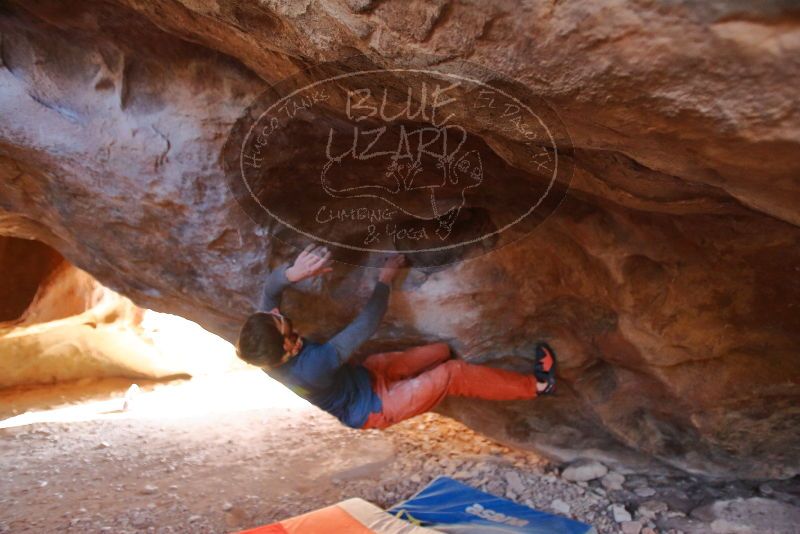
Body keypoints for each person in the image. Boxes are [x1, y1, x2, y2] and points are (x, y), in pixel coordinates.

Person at [235, 245, 557, 430]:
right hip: (374, 406)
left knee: (443, 350)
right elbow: (366, 324)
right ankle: (538, 386)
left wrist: (294, 274)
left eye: (277, 316)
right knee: (452, 373)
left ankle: (483, 380)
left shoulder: (266, 340)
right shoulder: (311, 368)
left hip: (369, 374)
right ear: (287, 351)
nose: (279, 315)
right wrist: (385, 280)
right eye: (285, 325)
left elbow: (270, 290)